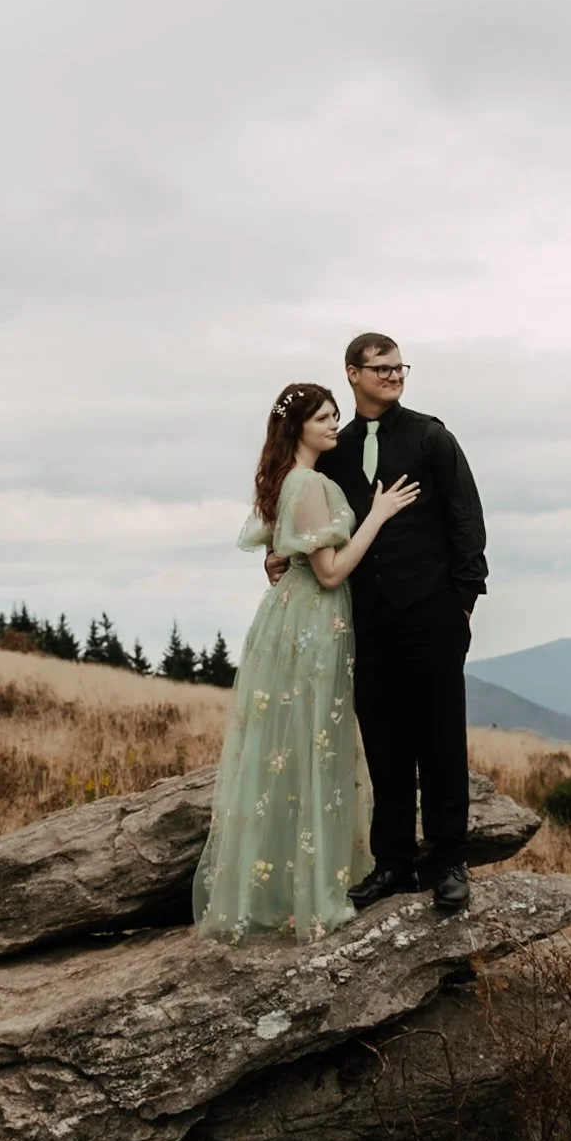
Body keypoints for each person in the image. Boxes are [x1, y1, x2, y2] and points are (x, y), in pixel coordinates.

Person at [195, 382, 420, 942]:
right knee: (317, 747)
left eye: (335, 415)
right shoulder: (311, 482)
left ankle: (278, 891)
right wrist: (379, 513)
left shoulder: (283, 480)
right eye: (323, 417)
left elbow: (282, 556)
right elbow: (330, 572)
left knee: (284, 752)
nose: (333, 425)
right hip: (316, 621)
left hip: (286, 618)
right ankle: (314, 894)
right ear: (298, 426)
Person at [300, 332, 488, 913]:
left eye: (399, 366)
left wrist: (461, 604)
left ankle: (449, 860)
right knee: (383, 742)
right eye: (380, 367)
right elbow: (316, 520)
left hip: (432, 613)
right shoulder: (337, 449)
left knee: (439, 738)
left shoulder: (432, 436)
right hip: (365, 620)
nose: (393, 375)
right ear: (352, 373)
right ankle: (393, 864)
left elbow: (466, 519)